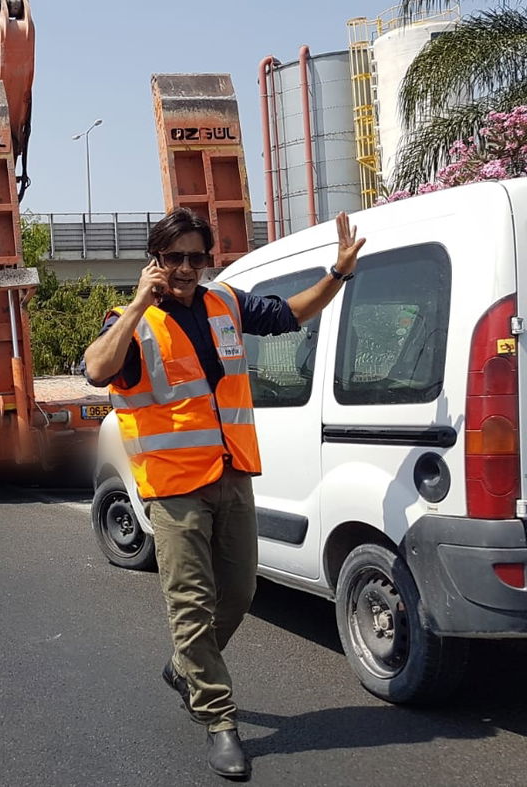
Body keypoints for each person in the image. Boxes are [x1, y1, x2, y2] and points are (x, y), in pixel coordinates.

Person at [82, 208, 364, 779]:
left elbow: (290, 314)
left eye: (196, 257)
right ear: (155, 261)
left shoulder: (225, 303)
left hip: (232, 474)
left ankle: (185, 667)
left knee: (239, 591)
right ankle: (218, 718)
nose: (186, 268)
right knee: (191, 603)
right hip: (175, 488)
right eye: (174, 257)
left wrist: (338, 273)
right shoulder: (133, 323)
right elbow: (95, 369)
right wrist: (137, 303)